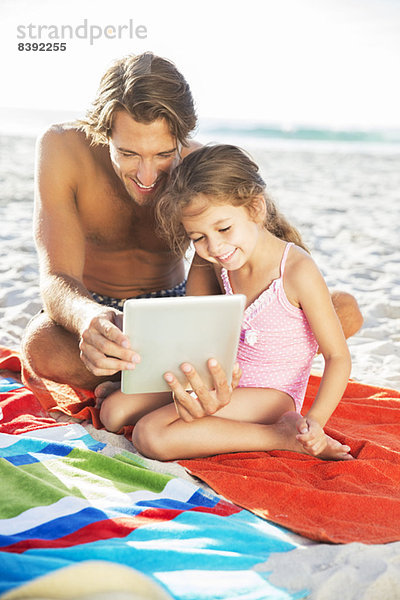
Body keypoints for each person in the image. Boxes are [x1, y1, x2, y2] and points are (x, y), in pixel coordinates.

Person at [22, 51, 362, 423]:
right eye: (129, 154)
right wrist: (88, 318)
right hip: (95, 308)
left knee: (343, 309)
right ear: (103, 132)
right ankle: (173, 383)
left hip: (176, 306)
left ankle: (149, 385)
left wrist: (205, 322)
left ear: (183, 137)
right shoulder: (62, 148)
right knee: (41, 346)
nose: (148, 176)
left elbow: (257, 239)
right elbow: (56, 277)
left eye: (164, 154)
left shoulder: (198, 167)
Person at [98, 144, 354, 462]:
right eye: (198, 237)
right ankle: (202, 418)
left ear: (256, 209)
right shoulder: (216, 259)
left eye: (223, 228)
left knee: (150, 435)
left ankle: (281, 435)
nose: (215, 246)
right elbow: (194, 325)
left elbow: (338, 356)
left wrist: (315, 421)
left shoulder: (296, 270)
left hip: (270, 397)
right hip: (220, 381)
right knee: (113, 412)